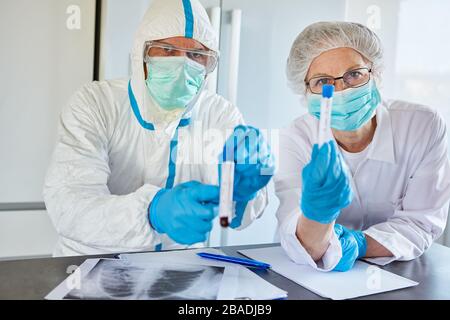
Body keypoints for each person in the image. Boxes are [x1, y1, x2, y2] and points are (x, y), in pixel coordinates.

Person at [43, 0, 274, 256]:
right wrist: (151, 212)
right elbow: (71, 205)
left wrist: (242, 193)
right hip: (89, 264)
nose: (183, 64)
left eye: (197, 55)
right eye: (166, 49)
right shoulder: (95, 104)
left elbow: (236, 219)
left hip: (181, 270)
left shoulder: (218, 114)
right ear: (141, 52)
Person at [275, 21, 450, 271]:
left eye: (354, 74)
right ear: (306, 91)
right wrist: (317, 214)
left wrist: (360, 244)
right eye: (323, 81)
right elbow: (304, 244)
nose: (341, 90)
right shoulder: (296, 137)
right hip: (306, 277)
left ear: (375, 73)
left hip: (396, 274)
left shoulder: (422, 126)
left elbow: (421, 223)